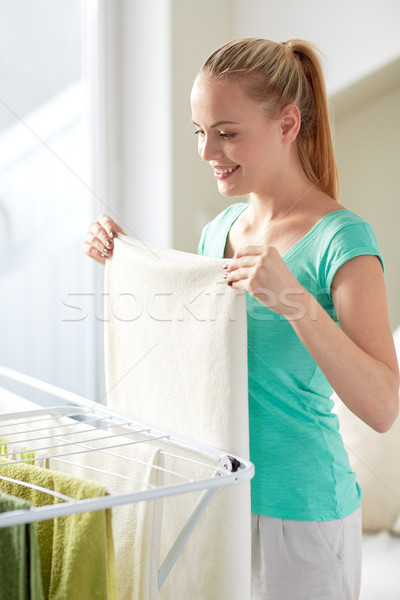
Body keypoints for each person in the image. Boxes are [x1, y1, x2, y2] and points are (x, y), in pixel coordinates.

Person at [83, 38, 399, 599]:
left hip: (302, 513)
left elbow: (382, 406)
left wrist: (294, 301)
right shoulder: (221, 230)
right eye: (199, 131)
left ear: (287, 124)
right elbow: (198, 359)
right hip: (216, 498)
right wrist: (128, 258)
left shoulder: (343, 240)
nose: (208, 151)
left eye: (227, 133)